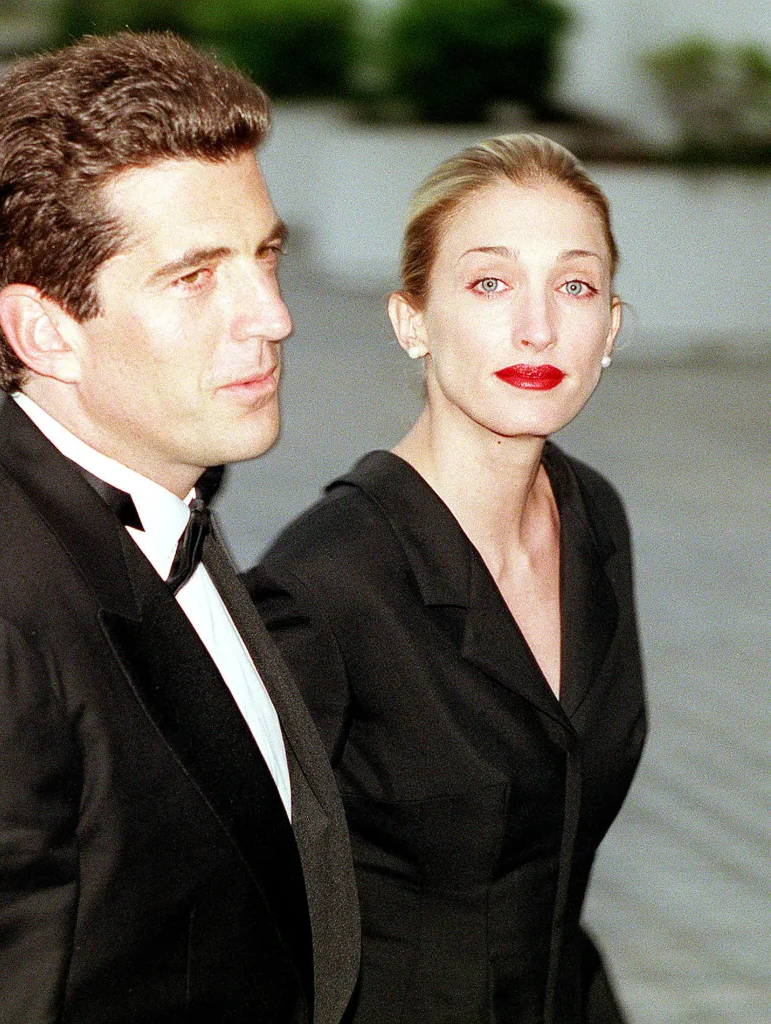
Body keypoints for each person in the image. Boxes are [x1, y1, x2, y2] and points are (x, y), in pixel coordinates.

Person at [0, 32, 359, 1023]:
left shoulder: (164, 501)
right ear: (44, 331)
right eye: (195, 277)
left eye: (265, 255)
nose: (272, 316)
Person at [246, 134, 646, 1023]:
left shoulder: (593, 518)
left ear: (612, 328)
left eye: (575, 286)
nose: (538, 327)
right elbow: (225, 906)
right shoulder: (323, 586)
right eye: (490, 283)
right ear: (412, 321)